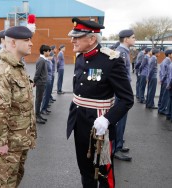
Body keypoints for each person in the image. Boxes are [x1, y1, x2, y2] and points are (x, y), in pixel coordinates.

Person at [67, 17, 134, 187]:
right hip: (79, 120)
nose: (72, 40)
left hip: (99, 123)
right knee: (85, 168)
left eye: (77, 37)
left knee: (103, 171)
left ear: (91, 39)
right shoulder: (80, 57)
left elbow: (127, 99)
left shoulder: (111, 61)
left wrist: (108, 119)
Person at [0, 26, 37, 188]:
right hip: (8, 145)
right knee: (4, 184)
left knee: (14, 182)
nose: (31, 43)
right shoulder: (3, 72)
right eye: (26, 40)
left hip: (20, 141)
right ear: (13, 43)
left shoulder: (18, 67)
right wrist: (1, 143)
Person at [113, 29, 136, 161]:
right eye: (133, 37)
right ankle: (117, 148)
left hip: (123, 91)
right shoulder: (121, 53)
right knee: (120, 120)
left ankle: (119, 144)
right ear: (126, 39)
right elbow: (120, 76)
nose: (135, 39)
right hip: (121, 92)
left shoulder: (124, 52)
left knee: (122, 120)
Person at [34, 45, 51, 121]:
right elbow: (38, 72)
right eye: (48, 51)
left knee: (40, 99)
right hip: (40, 83)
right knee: (38, 100)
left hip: (42, 82)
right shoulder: (41, 60)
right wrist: (34, 81)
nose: (49, 52)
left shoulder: (43, 60)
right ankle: (37, 116)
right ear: (44, 51)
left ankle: (38, 115)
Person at [158, 49, 172, 114]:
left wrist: (161, 79)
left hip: (164, 80)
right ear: (169, 54)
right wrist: (162, 79)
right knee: (165, 97)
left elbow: (160, 70)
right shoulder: (168, 60)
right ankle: (162, 109)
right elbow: (166, 72)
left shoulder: (164, 60)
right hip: (166, 81)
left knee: (162, 95)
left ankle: (160, 108)